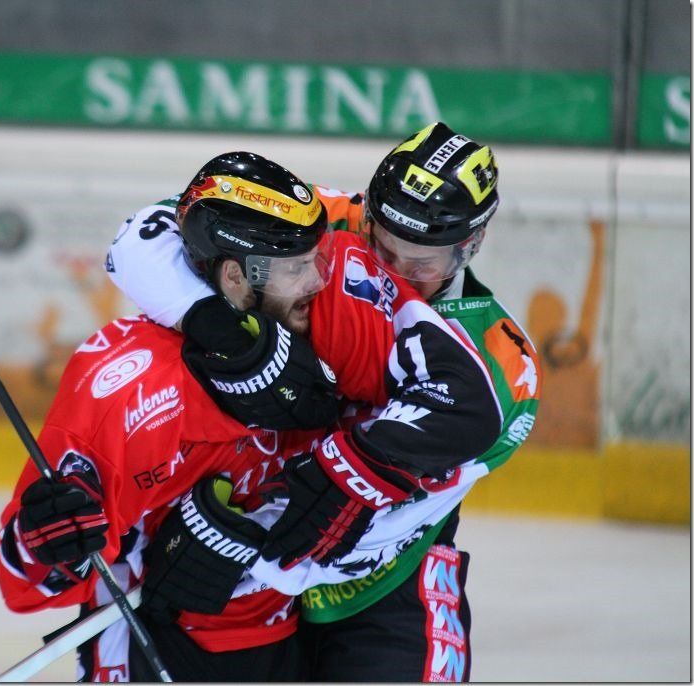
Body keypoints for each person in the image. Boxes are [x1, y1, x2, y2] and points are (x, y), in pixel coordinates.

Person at [105, 122, 541, 682]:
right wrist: (219, 327)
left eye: (420, 263)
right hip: (259, 588)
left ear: (470, 246)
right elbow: (142, 236)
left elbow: (380, 513)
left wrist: (249, 556)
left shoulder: (501, 363)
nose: (393, 272)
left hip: (382, 592)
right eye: (381, 244)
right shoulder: (329, 219)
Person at [0, 153, 340, 682]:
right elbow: (23, 582)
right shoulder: (133, 390)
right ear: (235, 276)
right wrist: (46, 540)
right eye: (296, 268)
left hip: (286, 640)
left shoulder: (319, 334)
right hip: (151, 643)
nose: (318, 282)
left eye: (317, 259)